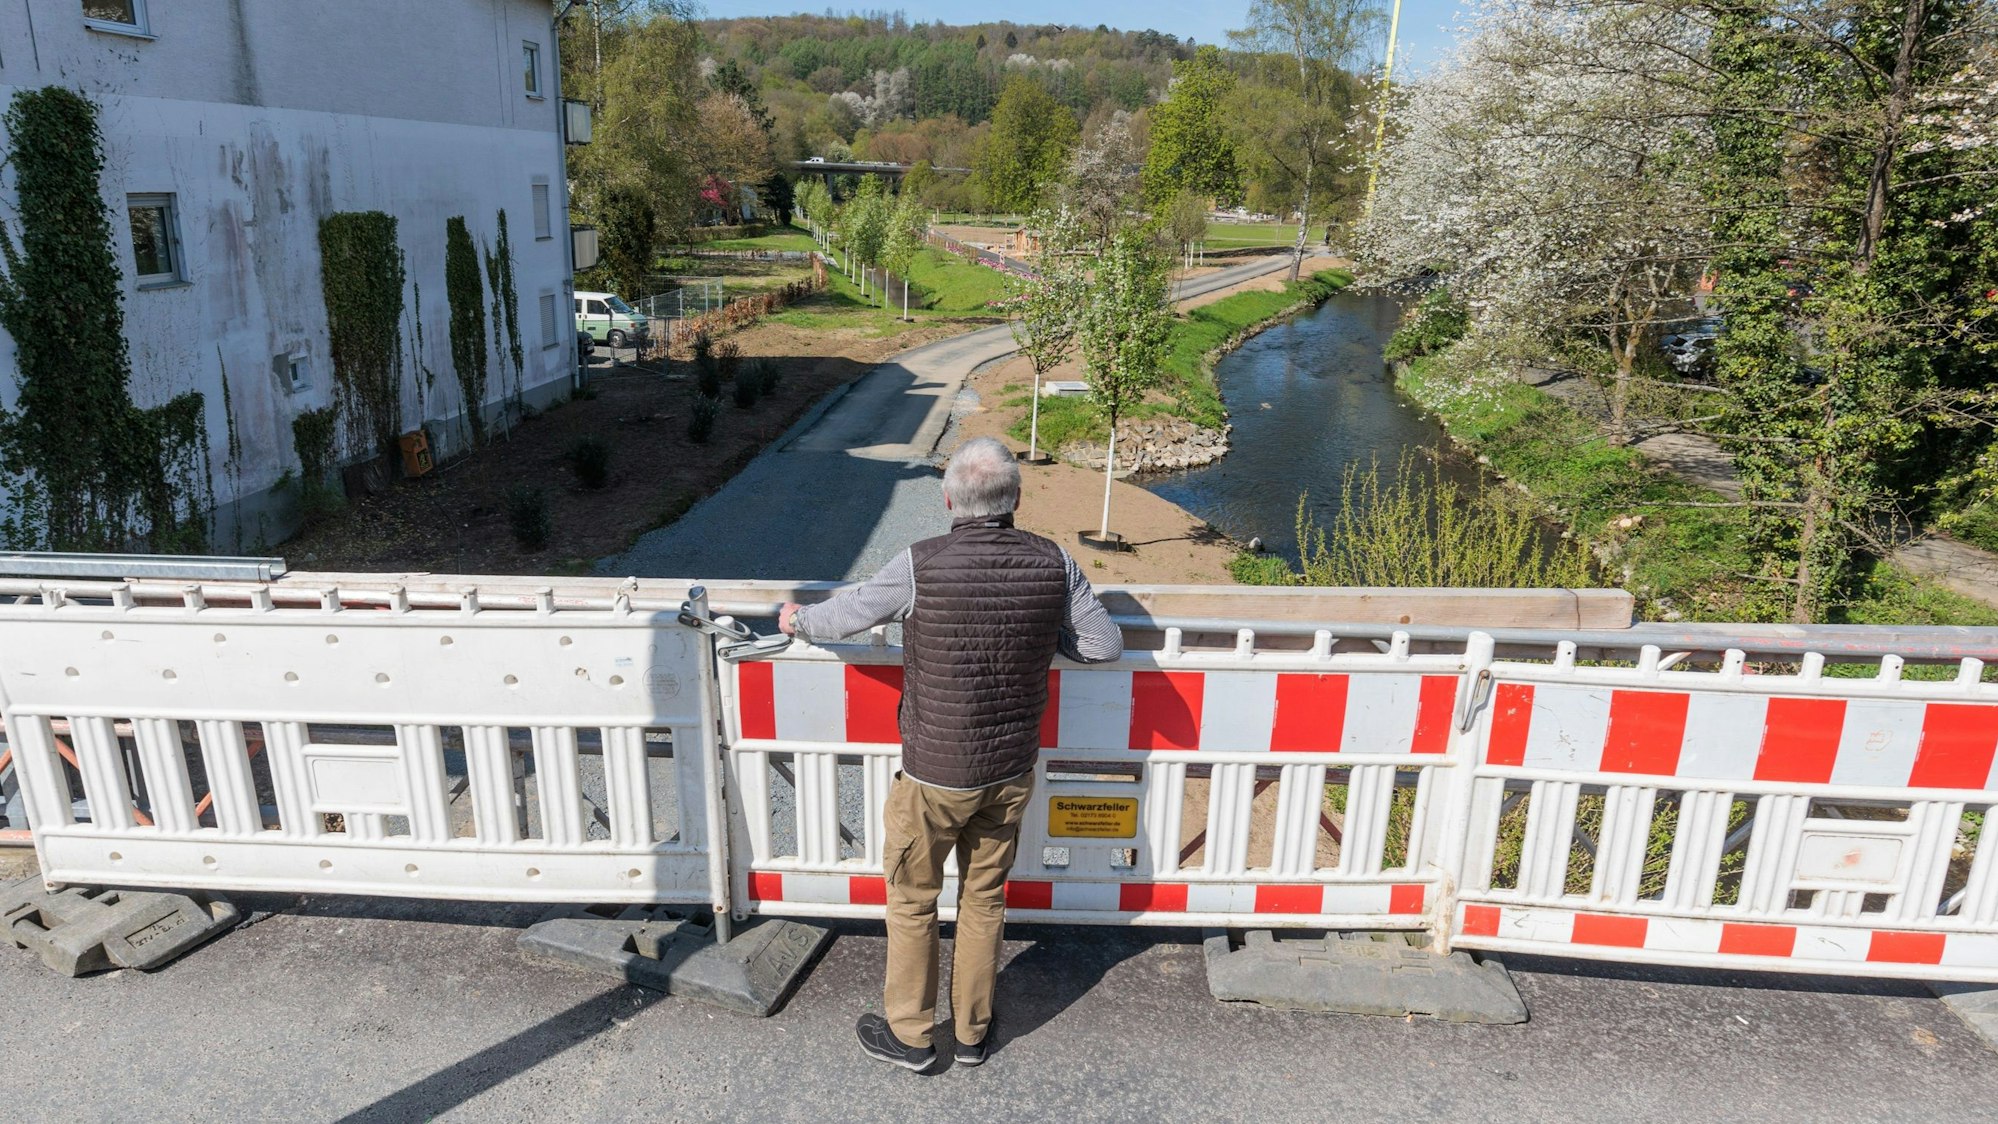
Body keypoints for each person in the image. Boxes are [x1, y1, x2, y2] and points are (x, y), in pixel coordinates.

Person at [778, 436, 1122, 1072]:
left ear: (947, 501)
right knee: (984, 900)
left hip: (934, 773)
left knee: (912, 899)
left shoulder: (921, 563)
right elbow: (1103, 646)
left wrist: (795, 619)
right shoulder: (1055, 562)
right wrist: (1049, 637)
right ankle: (971, 1034)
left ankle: (910, 1036)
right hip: (1011, 769)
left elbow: (845, 615)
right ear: (1016, 498)